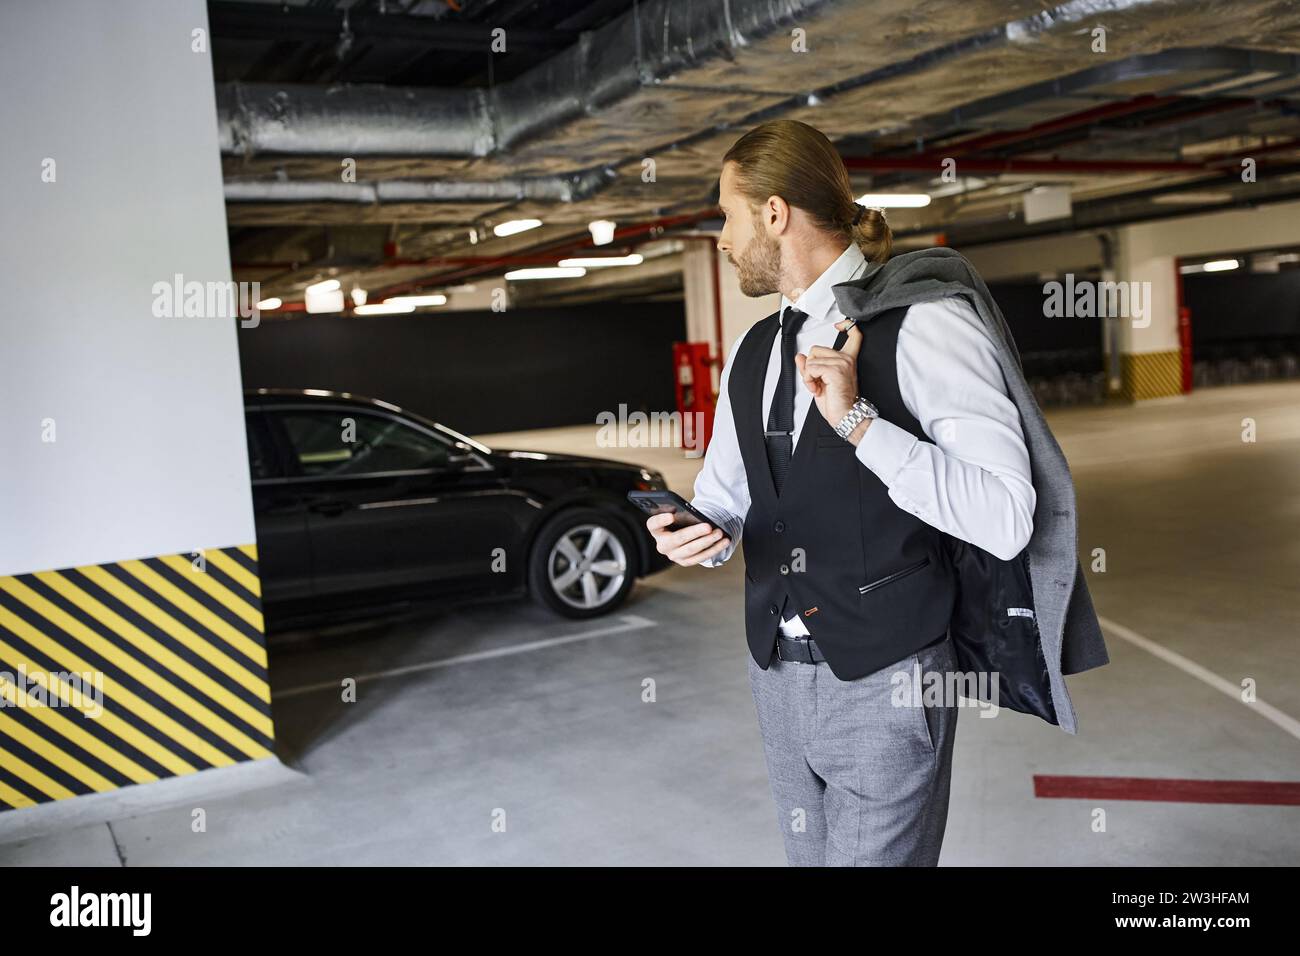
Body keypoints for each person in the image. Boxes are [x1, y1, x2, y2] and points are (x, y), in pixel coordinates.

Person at [644, 119, 1040, 866]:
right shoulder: (755, 351)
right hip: (778, 678)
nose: (721, 239)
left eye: (726, 216)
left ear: (773, 213)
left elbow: (1006, 515)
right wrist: (700, 532)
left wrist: (861, 423)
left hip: (887, 679)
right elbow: (730, 498)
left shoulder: (925, 323)